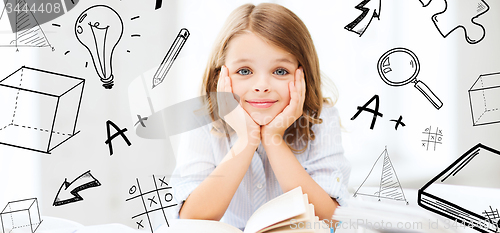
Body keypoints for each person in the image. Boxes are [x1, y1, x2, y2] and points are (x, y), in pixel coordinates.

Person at [170, 3, 351, 230]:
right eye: (244, 71)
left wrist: (274, 139)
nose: (262, 86)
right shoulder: (202, 119)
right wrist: (247, 139)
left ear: (303, 75)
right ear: (221, 78)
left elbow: (330, 219)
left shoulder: (321, 119)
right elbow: (190, 218)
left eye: (280, 71)